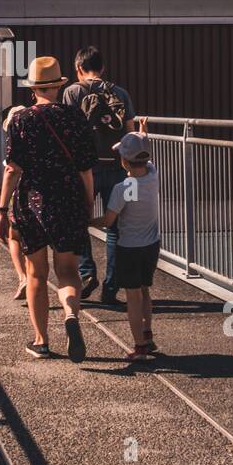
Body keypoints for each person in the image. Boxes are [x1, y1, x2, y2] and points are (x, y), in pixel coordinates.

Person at [0, 56, 98, 361]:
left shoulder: (21, 120)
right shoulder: (75, 117)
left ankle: (41, 341)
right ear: (58, 86)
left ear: (34, 88)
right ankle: (70, 316)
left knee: (36, 273)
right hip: (68, 200)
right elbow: (85, 170)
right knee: (67, 271)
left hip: (32, 203)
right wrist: (87, 203)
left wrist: (2, 210)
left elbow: (12, 170)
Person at [62, 45, 135, 304]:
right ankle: (111, 287)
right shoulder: (121, 93)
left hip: (84, 170)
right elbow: (130, 134)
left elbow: (68, 131)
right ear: (102, 68)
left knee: (79, 221)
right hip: (117, 167)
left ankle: (86, 273)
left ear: (79, 68)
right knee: (116, 229)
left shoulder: (72, 92)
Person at [89, 132, 161, 361]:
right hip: (151, 245)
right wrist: (143, 134)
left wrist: (87, 222)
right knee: (144, 290)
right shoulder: (153, 174)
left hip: (129, 247)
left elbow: (109, 221)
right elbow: (145, 159)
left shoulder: (123, 188)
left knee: (132, 297)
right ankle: (147, 336)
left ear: (123, 161)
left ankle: (139, 347)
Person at [1, 104, 29, 301]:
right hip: (44, 195)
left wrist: (1, 209)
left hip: (20, 196)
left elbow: (11, 171)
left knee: (14, 236)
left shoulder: (14, 144)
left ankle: (23, 277)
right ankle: (34, 279)